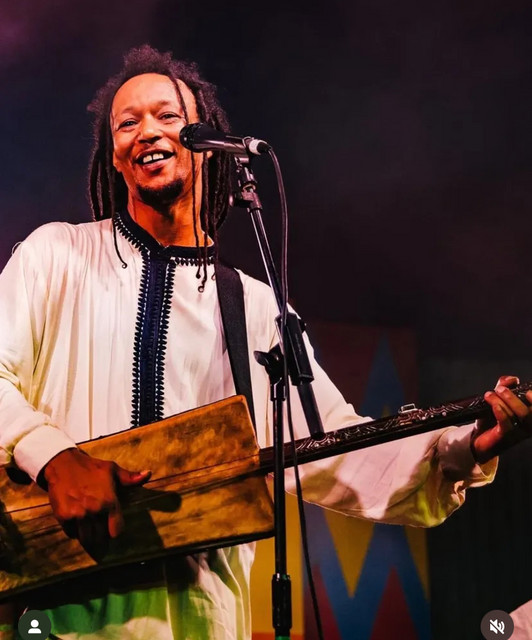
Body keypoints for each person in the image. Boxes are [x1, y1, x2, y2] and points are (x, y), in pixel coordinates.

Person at [0, 45, 530, 640]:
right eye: (128, 123)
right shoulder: (56, 255)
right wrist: (52, 456)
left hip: (200, 618)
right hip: (57, 612)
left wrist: (467, 447)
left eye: (168, 116)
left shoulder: (255, 307)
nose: (147, 130)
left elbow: (333, 448)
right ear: (115, 157)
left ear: (207, 142)